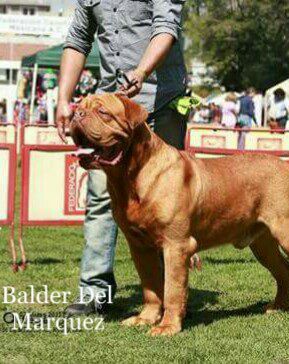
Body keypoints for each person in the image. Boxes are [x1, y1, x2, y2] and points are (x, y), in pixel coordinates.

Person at [56, 0, 189, 315]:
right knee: (102, 197)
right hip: (109, 112)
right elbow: (77, 41)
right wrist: (63, 97)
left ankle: (170, 300)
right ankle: (95, 292)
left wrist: (142, 70)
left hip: (160, 102)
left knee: (167, 207)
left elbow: (166, 28)